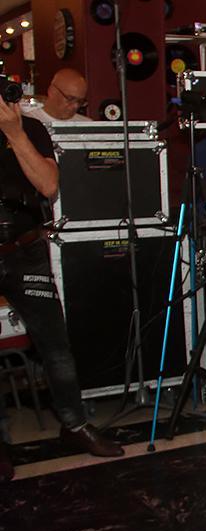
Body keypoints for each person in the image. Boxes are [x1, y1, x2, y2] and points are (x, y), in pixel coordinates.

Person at [0, 93, 122, 482]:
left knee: (56, 346)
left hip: (25, 251)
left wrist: (14, 133)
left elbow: (49, 185)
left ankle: (74, 425)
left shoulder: (31, 128)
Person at [23, 68, 89, 123]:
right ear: (52, 92)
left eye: (80, 101)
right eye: (70, 99)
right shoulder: (28, 121)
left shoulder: (86, 124)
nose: (76, 106)